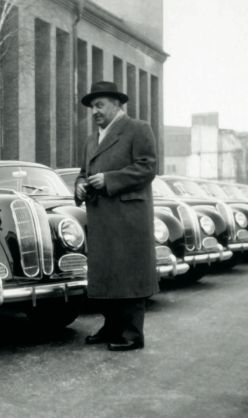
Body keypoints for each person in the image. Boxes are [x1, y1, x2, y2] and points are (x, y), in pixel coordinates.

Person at [74, 81, 158, 351]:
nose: (94, 111)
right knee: (108, 274)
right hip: (102, 217)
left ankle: (132, 334)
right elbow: (83, 172)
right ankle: (111, 327)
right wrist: (79, 184)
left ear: (117, 105)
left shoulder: (137, 129)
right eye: (92, 107)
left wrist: (109, 179)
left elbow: (147, 168)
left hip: (128, 217)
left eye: (100, 105)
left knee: (129, 273)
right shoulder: (91, 139)